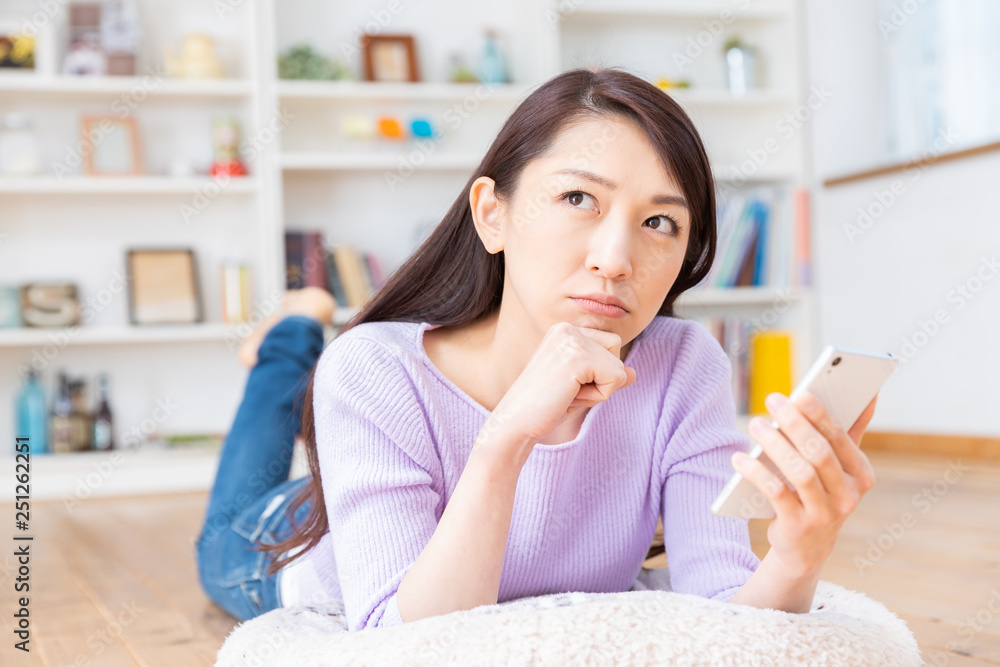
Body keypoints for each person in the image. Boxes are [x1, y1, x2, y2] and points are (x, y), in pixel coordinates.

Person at [195, 67, 880, 630]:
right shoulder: (374, 367)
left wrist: (797, 554)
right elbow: (404, 639)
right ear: (492, 213)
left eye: (660, 221)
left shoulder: (683, 365)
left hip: (380, 471)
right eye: (579, 197)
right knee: (248, 474)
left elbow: (722, 616)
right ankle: (293, 331)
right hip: (284, 539)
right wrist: (506, 436)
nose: (616, 259)